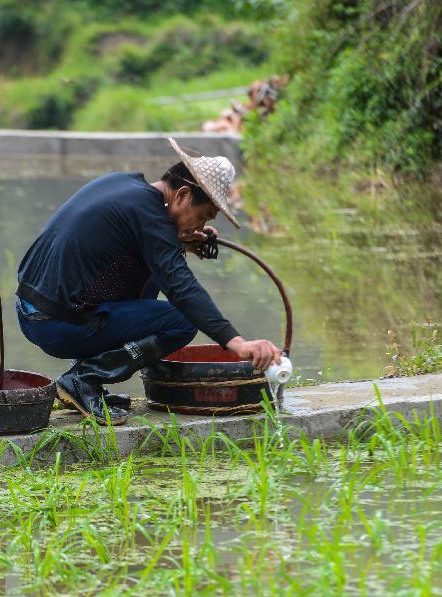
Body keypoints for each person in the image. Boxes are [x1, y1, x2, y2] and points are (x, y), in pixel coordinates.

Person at [15, 137, 282, 425]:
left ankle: (86, 379)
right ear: (181, 195)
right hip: (55, 323)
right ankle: (84, 378)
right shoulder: (149, 215)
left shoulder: (127, 187)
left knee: (153, 275)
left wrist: (178, 242)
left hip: (33, 312)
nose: (200, 227)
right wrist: (237, 344)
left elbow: (126, 251)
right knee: (182, 320)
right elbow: (181, 288)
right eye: (202, 215)